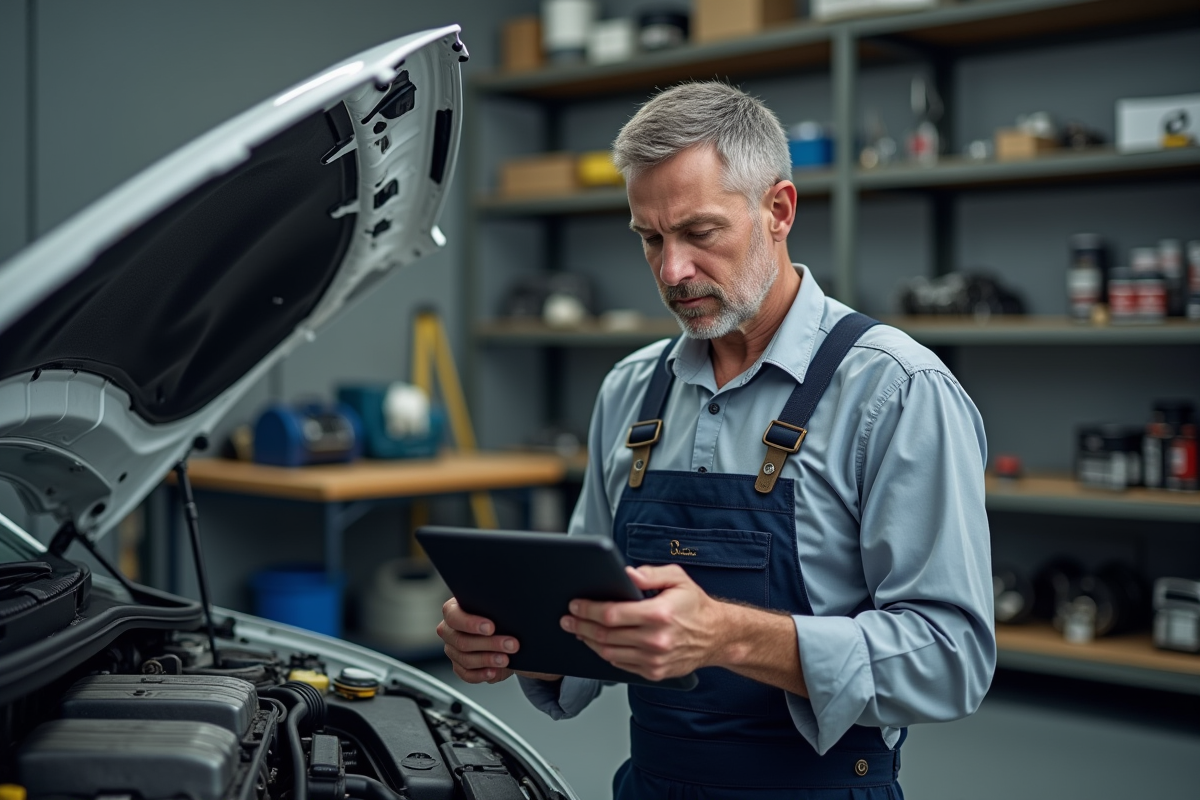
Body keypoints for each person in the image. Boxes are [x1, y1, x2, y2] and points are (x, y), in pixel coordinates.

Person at [438, 81, 994, 798]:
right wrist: (513, 640)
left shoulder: (895, 391)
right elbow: (585, 622)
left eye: (700, 233)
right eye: (650, 238)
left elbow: (952, 658)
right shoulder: (632, 389)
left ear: (778, 210)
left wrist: (731, 636)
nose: (672, 272)